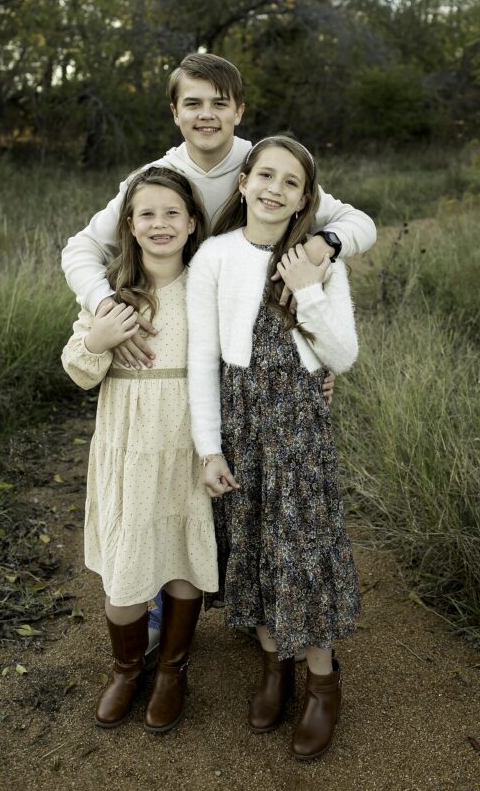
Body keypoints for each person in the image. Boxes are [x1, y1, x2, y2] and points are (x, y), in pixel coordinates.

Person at [61, 52, 376, 649]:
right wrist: (110, 308)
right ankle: (157, 607)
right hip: (178, 330)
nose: (206, 115)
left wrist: (326, 245)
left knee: (242, 479)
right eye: (193, 103)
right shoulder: (151, 176)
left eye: (219, 103)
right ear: (175, 112)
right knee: (166, 474)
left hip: (259, 352)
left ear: (238, 109)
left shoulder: (265, 166)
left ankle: (250, 605)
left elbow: (357, 221)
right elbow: (81, 248)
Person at [187, 135, 361, 761]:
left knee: (304, 544)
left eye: (291, 182)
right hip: (240, 418)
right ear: (243, 183)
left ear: (304, 200)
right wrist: (210, 449)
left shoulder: (317, 258)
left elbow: (343, 355)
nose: (274, 188)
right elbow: (202, 361)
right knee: (254, 541)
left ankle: (321, 681)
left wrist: (310, 287)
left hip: (300, 423)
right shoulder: (214, 256)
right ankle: (273, 668)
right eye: (265, 175)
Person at [61, 167, 217, 733]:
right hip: (128, 448)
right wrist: (99, 342)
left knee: (181, 559)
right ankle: (127, 668)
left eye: (172, 213)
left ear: (192, 222)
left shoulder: (207, 288)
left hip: (185, 445)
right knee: (126, 570)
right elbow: (79, 371)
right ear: (129, 224)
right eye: (147, 213)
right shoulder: (112, 294)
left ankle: (174, 669)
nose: (160, 224)